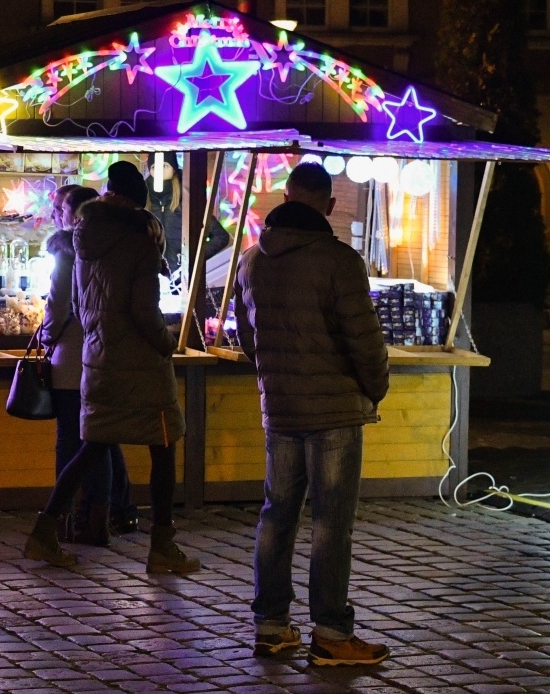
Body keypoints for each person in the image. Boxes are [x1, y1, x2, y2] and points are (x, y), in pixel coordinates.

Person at [235, 161, 391, 666]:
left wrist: (272, 382)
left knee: (276, 515)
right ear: (328, 205)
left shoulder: (253, 261)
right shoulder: (340, 262)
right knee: (331, 522)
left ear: (285, 197)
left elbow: (249, 340)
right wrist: (374, 389)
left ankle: (272, 626)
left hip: (278, 409)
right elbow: (365, 343)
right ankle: (330, 633)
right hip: (334, 412)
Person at [24, 160, 200, 574]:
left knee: (92, 446)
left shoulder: (83, 239)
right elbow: (143, 309)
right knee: (163, 446)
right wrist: (166, 341)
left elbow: (81, 305)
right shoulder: (138, 243)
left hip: (98, 356)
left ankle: (44, 531)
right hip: (139, 363)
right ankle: (162, 545)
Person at [41, 183, 137, 544]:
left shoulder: (67, 253)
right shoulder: (113, 250)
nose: (57, 216)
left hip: (70, 360)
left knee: (72, 442)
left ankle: (65, 518)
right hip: (103, 356)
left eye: (61, 210)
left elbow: (56, 304)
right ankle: (101, 518)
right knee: (101, 440)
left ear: (76, 215)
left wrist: (48, 335)